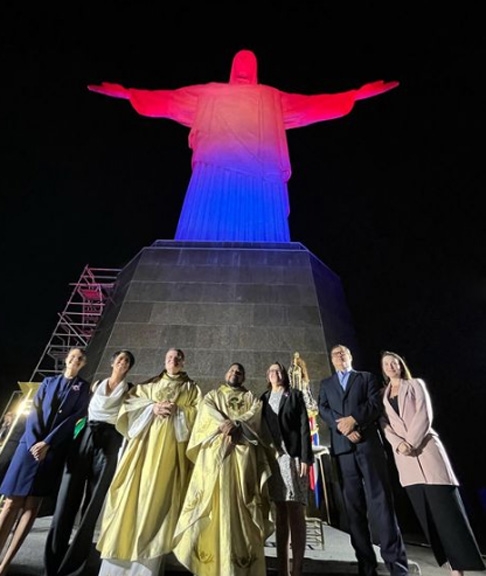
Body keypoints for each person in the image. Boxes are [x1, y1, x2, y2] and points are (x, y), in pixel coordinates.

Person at [88, 50, 399, 243]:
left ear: (256, 70)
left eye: (249, 65)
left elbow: (311, 106)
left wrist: (354, 95)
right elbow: (167, 99)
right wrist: (129, 93)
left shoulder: (270, 96)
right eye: (239, 63)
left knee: (266, 237)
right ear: (231, 68)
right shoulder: (209, 93)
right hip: (214, 170)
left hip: (261, 175)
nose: (243, 69)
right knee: (201, 233)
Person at [96, 347, 201, 576]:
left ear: (183, 362)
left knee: (159, 503)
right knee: (131, 498)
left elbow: (199, 414)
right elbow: (129, 405)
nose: (173, 360)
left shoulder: (192, 389)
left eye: (178, 358)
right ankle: (117, 561)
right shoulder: (148, 387)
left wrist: (179, 411)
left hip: (170, 455)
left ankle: (146, 567)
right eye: (170, 357)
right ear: (165, 361)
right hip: (142, 453)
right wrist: (152, 408)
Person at [380, 351, 486, 576]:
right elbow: (385, 425)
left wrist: (411, 441)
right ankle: (448, 562)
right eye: (387, 364)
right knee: (427, 516)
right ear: (383, 369)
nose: (391, 366)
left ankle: (461, 566)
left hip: (426, 451)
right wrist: (399, 444)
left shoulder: (415, 385)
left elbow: (424, 415)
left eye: (394, 362)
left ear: (401, 364)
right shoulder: (383, 396)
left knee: (446, 512)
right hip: (405, 460)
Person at [172, 362, 273, 576]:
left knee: (241, 507)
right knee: (211, 504)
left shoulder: (251, 399)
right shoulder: (212, 395)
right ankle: (211, 565)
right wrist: (225, 425)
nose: (235, 374)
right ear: (226, 373)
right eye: (232, 370)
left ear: (243, 377)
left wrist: (237, 425)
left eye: (239, 372)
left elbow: (254, 416)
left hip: (241, 460)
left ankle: (238, 566)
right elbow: (206, 412)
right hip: (215, 458)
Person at [318, 344, 408, 576]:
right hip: (343, 450)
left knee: (381, 503)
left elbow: (375, 404)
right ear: (331, 360)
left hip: (369, 447)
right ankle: (366, 567)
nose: (339, 356)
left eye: (343, 352)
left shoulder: (366, 378)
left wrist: (355, 420)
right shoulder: (326, 385)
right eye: (335, 354)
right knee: (354, 509)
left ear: (350, 356)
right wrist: (344, 427)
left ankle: (397, 566)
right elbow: (323, 409)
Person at [44, 349, 136, 576]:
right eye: (120, 359)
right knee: (67, 497)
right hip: (85, 436)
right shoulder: (95, 385)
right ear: (112, 362)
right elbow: (80, 413)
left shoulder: (130, 390)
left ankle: (76, 563)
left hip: (111, 440)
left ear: (129, 367)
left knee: (93, 502)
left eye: (127, 361)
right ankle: (53, 559)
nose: (122, 363)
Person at [0, 347, 90, 576]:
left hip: (52, 451)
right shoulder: (48, 382)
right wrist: (34, 442)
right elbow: (35, 414)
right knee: (11, 503)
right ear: (66, 359)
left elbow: (74, 419)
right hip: (28, 448)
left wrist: (48, 443)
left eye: (80, 358)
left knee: (32, 506)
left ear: (83, 363)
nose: (75, 360)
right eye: (73, 356)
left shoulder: (83, 388)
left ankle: (5, 564)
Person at [260, 361, 314, 576]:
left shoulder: (295, 396)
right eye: (272, 370)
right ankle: (283, 567)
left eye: (279, 370)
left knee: (295, 510)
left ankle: (297, 567)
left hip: (292, 459)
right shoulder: (263, 399)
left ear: (285, 375)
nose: (276, 373)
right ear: (268, 375)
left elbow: (303, 426)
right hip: (273, 459)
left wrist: (304, 457)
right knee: (280, 513)